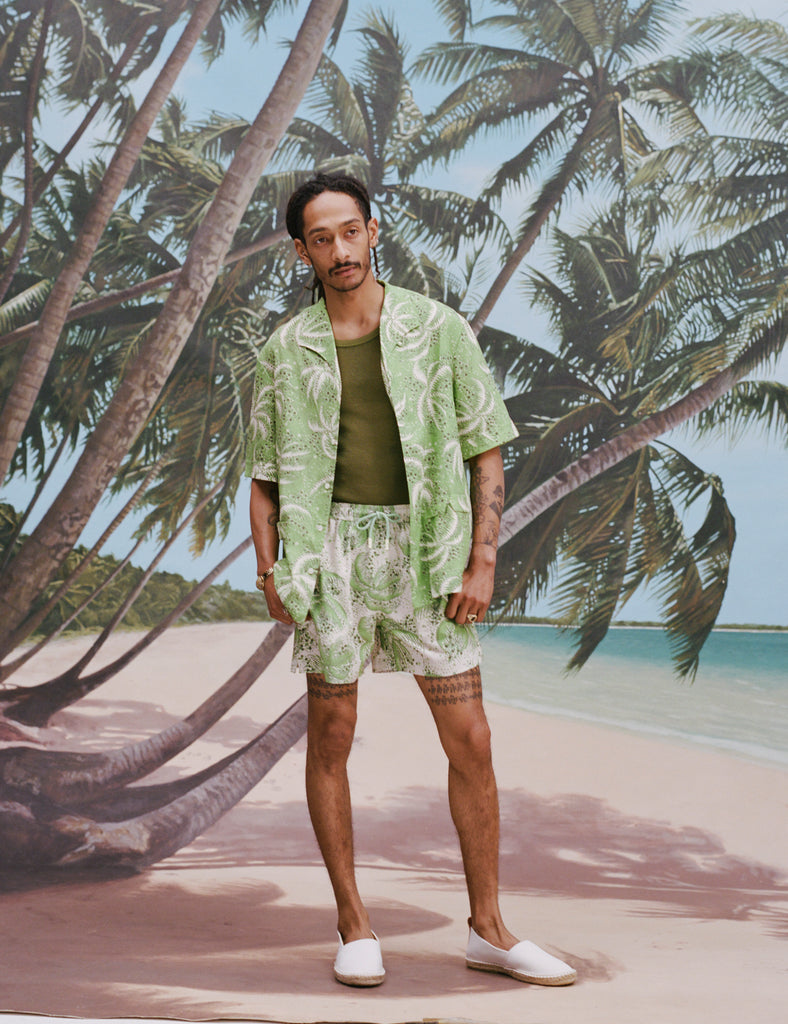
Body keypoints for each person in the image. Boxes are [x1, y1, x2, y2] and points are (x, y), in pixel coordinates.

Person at [245, 172, 576, 988]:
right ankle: (354, 926)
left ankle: (489, 930)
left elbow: (485, 446)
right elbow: (262, 475)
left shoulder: (439, 329)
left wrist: (482, 561)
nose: (339, 250)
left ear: (374, 230)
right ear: (302, 251)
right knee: (332, 736)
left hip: (426, 551)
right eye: (320, 239)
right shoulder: (287, 349)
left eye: (349, 232)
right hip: (329, 558)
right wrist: (270, 568)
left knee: (473, 740)